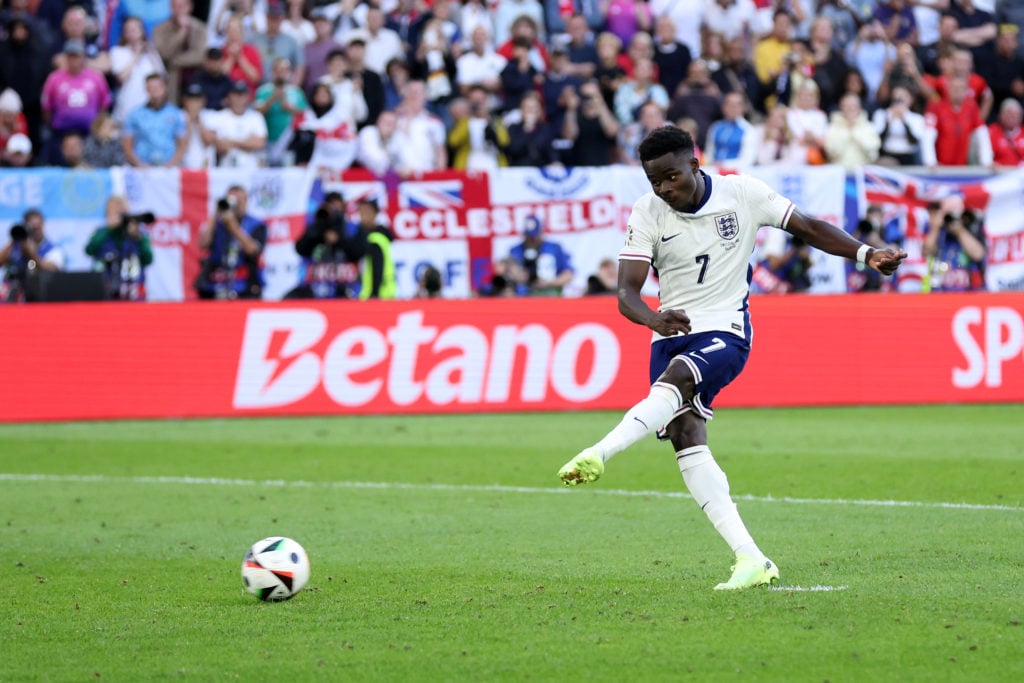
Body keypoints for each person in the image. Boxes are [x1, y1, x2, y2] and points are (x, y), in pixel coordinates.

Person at [557, 125, 906, 590]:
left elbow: (807, 227)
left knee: (680, 380)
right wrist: (653, 319)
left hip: (725, 329)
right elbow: (626, 292)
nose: (663, 189)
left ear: (695, 166)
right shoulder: (647, 212)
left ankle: (599, 452)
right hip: (669, 332)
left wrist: (866, 253)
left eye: (671, 178)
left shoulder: (743, 193)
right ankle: (751, 559)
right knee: (685, 435)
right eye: (654, 181)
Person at [286, 192, 367, 299]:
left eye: (337, 206)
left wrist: (339, 239)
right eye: (331, 206)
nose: (334, 210)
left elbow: (359, 252)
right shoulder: (317, 227)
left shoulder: (353, 228)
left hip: (347, 289)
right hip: (316, 289)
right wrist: (319, 230)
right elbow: (300, 249)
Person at [195, 185, 266, 300]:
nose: (236, 205)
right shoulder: (217, 224)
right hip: (214, 283)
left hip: (245, 285)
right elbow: (203, 244)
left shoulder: (256, 225)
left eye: (239, 200)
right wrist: (216, 214)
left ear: (246, 202)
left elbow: (253, 250)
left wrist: (233, 226)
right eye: (232, 200)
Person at [84, 196, 154, 301]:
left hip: (133, 291)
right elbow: (89, 250)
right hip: (106, 291)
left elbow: (148, 259)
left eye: (122, 209)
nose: (119, 213)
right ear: (107, 213)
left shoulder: (139, 234)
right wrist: (109, 229)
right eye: (115, 209)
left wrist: (138, 238)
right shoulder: (101, 232)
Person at [122, 74, 189, 168]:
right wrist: (138, 164)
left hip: (168, 169)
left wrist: (170, 165)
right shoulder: (134, 115)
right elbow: (127, 144)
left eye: (158, 87)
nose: (155, 91)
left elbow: (182, 145)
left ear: (165, 88)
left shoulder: (176, 114)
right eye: (151, 88)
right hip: (142, 169)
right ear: (146, 90)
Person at [922, 194, 987, 292]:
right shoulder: (936, 231)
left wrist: (960, 231)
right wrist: (935, 228)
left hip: (969, 292)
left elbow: (978, 254)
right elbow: (926, 252)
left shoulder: (972, 227)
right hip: (939, 291)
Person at [0, 209, 65, 303]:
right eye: (33, 228)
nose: (36, 231)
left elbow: (50, 268)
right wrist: (15, 239)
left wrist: (30, 253)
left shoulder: (53, 249)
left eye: (38, 227)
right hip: (13, 292)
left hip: (39, 294)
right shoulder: (16, 247)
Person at [152, 0, 208, 104]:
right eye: (177, 6)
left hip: (195, 78)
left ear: (190, 7)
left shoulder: (200, 28)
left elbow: (200, 56)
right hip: (171, 81)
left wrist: (173, 61)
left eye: (183, 6)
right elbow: (163, 54)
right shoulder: (160, 28)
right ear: (171, 8)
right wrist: (181, 33)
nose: (180, 9)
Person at [508, 215, 575, 296]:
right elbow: (507, 274)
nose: (531, 240)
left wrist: (550, 282)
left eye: (534, 236)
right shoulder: (516, 250)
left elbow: (568, 274)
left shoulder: (554, 248)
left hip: (551, 294)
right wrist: (519, 276)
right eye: (529, 237)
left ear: (541, 232)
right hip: (524, 296)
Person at [354, 199, 397, 300]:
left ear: (374, 214)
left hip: (379, 295)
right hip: (385, 293)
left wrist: (374, 293)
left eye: (365, 212)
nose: (362, 216)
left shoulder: (375, 238)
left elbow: (378, 267)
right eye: (360, 212)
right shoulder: (369, 236)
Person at [989, 98, 1024, 168]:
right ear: (1000, 115)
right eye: (1009, 113)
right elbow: (985, 156)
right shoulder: (991, 131)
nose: (1012, 117)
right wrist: (990, 163)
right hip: (998, 175)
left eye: (1016, 114)